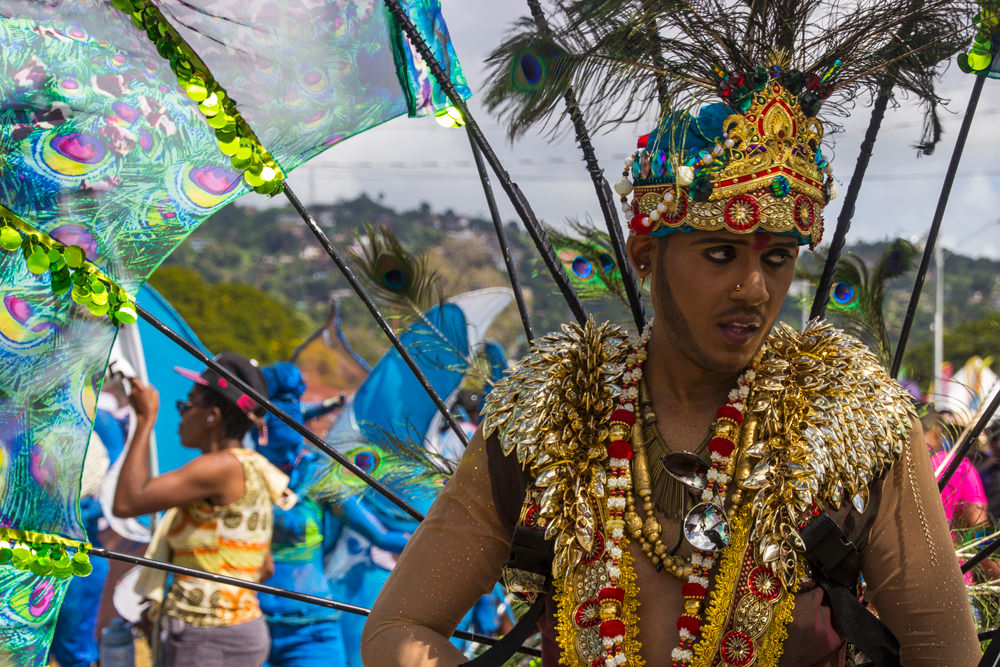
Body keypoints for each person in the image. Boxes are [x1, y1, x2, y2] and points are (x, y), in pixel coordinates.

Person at [361, 5, 980, 665]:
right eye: (721, 254)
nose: (754, 288)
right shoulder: (549, 412)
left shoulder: (854, 421)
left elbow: (945, 654)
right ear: (645, 253)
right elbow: (400, 624)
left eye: (775, 259)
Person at [113, 353, 293, 667]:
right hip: (240, 630)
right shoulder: (256, 468)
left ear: (212, 416)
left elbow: (128, 502)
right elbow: (264, 567)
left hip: (209, 637)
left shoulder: (219, 468)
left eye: (186, 405)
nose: (181, 414)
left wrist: (144, 420)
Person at [924, 408, 990, 529]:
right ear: (937, 430)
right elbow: (978, 524)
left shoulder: (890, 461)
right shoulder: (961, 466)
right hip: (943, 545)